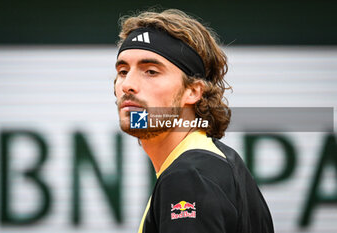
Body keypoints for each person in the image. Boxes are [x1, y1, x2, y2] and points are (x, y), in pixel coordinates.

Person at [114, 8, 274, 233]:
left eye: (150, 71)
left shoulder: (188, 177)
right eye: (122, 71)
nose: (127, 85)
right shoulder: (207, 165)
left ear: (193, 91)